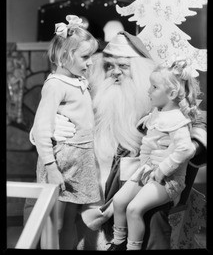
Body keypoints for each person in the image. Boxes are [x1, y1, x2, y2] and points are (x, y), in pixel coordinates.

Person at [30, 32, 207, 250]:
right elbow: (44, 120)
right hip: (85, 187)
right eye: (108, 66)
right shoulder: (88, 90)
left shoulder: (155, 98)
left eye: (122, 66)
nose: (114, 72)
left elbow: (198, 122)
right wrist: (51, 129)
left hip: (131, 185)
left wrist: (190, 147)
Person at [106, 59, 201, 251]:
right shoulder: (156, 114)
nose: (149, 91)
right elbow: (147, 144)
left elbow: (187, 149)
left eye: (154, 87)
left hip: (168, 179)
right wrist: (143, 166)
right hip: (147, 171)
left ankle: (133, 246)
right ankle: (118, 241)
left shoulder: (177, 120)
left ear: (172, 93)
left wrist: (162, 169)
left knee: (134, 209)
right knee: (119, 200)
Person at [31, 14, 101, 249]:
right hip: (63, 161)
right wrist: (51, 167)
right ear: (64, 56)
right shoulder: (55, 85)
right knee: (56, 221)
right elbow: (42, 128)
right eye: (85, 56)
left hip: (81, 157)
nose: (91, 62)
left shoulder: (78, 79)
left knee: (71, 217)